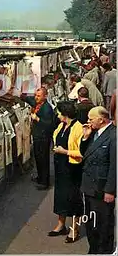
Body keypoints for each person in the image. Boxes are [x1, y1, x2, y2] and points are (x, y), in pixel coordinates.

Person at [80, 107, 116, 254]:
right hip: (89, 187)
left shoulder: (113, 135)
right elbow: (84, 153)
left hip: (101, 189)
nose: (88, 122)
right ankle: (93, 249)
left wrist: (110, 190)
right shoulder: (94, 133)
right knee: (91, 223)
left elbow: (115, 166)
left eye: (91, 118)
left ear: (101, 119)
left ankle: (103, 251)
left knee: (103, 224)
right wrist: (85, 137)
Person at [50, 101, 84, 243]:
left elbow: (82, 152)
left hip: (72, 168)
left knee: (73, 197)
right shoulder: (61, 126)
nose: (57, 115)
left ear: (65, 114)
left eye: (59, 113)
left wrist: (64, 151)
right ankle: (61, 224)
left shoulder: (78, 128)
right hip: (60, 167)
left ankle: (74, 229)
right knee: (60, 195)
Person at [22, 88, 57, 190]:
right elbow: (30, 100)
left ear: (45, 96)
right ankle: (40, 177)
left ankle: (44, 182)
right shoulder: (38, 103)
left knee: (43, 159)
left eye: (38, 96)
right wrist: (20, 95)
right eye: (36, 95)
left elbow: (50, 125)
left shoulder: (47, 109)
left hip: (43, 138)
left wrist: (37, 119)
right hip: (37, 136)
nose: (36, 97)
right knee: (38, 158)